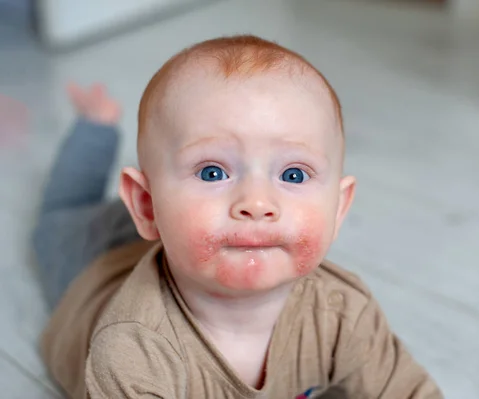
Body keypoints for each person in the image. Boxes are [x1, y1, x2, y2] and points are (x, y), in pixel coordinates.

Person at [33, 35, 443, 399]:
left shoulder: (342, 314)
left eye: (293, 174)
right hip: (92, 269)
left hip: (181, 237)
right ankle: (95, 127)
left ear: (338, 208)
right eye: (213, 171)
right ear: (145, 204)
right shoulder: (132, 350)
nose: (257, 203)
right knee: (61, 215)